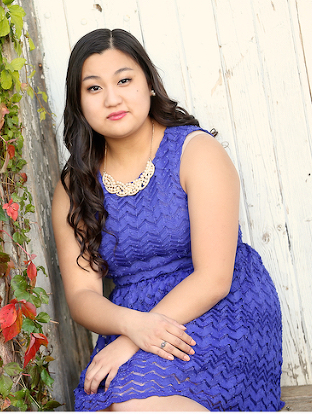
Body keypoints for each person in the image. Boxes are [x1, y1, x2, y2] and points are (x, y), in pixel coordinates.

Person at [51, 28, 284, 411]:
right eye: (93, 88)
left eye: (124, 80)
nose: (112, 98)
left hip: (218, 307)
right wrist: (131, 327)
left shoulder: (195, 152)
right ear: (79, 103)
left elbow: (214, 278)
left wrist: (132, 341)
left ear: (149, 85)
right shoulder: (75, 184)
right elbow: (81, 296)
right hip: (133, 316)